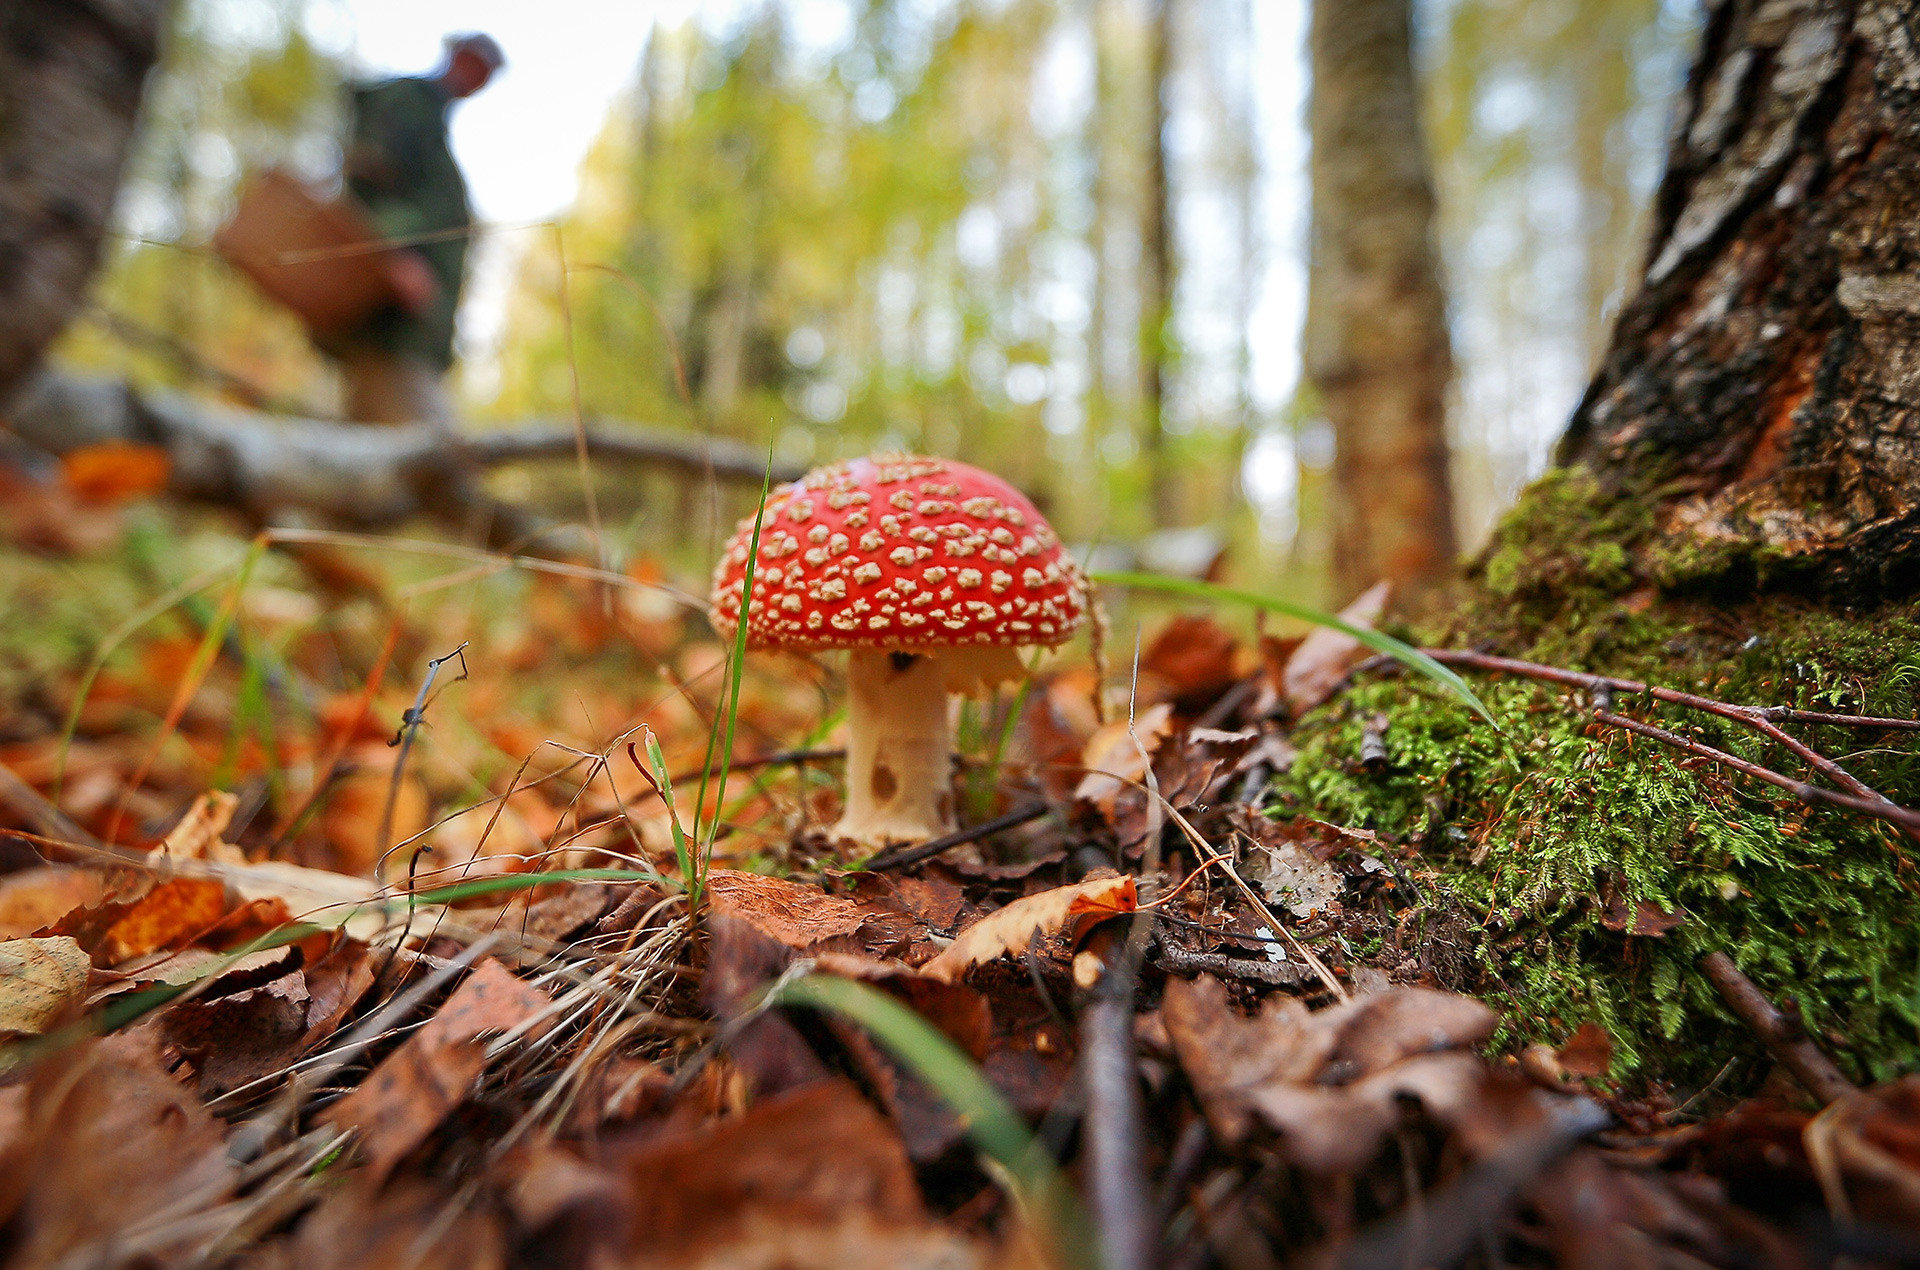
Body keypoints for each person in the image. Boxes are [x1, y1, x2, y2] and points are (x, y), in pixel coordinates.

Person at [328, 32, 503, 426]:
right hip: (393, 330)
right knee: (436, 466)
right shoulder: (406, 102)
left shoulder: (435, 128)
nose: (475, 77)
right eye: (473, 62)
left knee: (373, 462)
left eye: (484, 73)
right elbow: (367, 178)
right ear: (454, 54)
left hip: (413, 336)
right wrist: (391, 253)